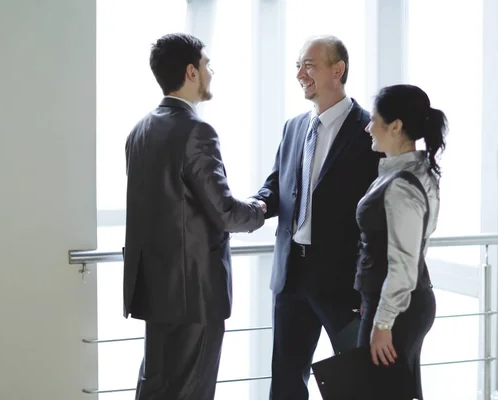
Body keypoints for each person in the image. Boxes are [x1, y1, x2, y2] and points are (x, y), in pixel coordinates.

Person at [123, 33, 266, 400]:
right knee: (191, 391)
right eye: (207, 66)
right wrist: (261, 209)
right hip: (194, 295)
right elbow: (225, 212)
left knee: (155, 387)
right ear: (191, 72)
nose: (211, 74)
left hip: (156, 289)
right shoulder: (196, 131)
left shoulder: (139, 131)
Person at [252, 36, 381, 400]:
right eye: (297, 65)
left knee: (357, 383)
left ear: (337, 70)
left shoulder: (369, 129)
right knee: (286, 383)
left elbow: (380, 215)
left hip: (345, 284)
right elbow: (277, 186)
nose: (299, 74)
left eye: (309, 65)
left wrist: (368, 282)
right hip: (292, 278)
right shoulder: (294, 127)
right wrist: (257, 206)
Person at [354, 84, 447, 399]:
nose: (368, 127)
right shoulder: (416, 172)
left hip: (399, 311)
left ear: (395, 126)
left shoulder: (401, 187)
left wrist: (383, 324)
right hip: (405, 304)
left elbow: (404, 264)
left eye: (374, 120)